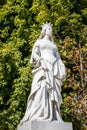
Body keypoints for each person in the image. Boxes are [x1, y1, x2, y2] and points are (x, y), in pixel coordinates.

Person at [20, 22, 66, 125]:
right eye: (49, 29)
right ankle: (40, 113)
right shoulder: (39, 42)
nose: (51, 31)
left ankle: (53, 115)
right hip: (43, 67)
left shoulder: (54, 45)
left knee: (53, 92)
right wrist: (40, 60)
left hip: (53, 69)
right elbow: (35, 54)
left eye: (51, 29)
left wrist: (62, 67)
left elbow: (58, 58)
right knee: (41, 88)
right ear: (44, 31)